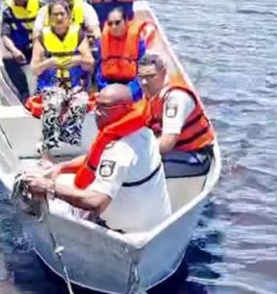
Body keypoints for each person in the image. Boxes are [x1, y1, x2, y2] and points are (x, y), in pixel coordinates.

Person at [23, 84, 172, 234]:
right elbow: (98, 159)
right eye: (97, 105)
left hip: (125, 233)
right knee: (63, 178)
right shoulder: (143, 131)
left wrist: (49, 186)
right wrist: (63, 167)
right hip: (158, 225)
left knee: (51, 195)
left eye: (104, 108)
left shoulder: (118, 151)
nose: (96, 112)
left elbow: (96, 202)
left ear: (123, 108)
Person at [30, 0, 95, 154]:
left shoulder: (79, 34)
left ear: (69, 16)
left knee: (80, 104)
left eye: (62, 14)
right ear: (49, 17)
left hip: (75, 87)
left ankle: (69, 144)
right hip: (50, 86)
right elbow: (34, 68)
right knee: (53, 104)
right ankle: (47, 151)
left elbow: (90, 63)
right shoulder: (42, 37)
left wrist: (77, 59)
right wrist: (48, 63)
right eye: (54, 15)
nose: (59, 18)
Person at [137, 53, 216, 175]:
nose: (144, 82)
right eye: (141, 77)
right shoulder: (152, 93)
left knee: (137, 166)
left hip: (195, 155)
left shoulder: (176, 98)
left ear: (163, 73)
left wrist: (136, 152)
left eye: (150, 76)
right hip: (174, 152)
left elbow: (167, 143)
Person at [94, 7, 147, 100]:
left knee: (132, 94)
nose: (113, 27)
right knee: (107, 96)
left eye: (117, 23)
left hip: (131, 82)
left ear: (126, 21)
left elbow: (142, 67)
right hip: (107, 81)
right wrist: (104, 86)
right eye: (110, 24)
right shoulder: (101, 41)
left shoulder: (138, 40)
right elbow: (99, 67)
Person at [1, 0, 41, 101]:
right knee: (7, 58)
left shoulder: (40, 6)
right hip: (20, 47)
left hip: (38, 44)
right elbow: (5, 35)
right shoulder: (8, 11)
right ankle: (23, 91)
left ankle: (43, 89)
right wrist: (14, 50)